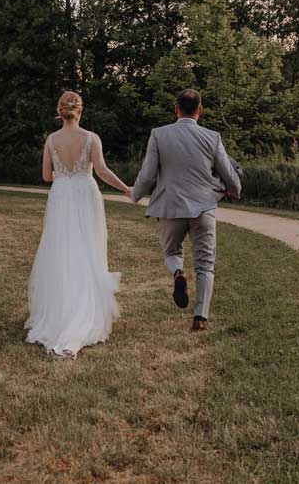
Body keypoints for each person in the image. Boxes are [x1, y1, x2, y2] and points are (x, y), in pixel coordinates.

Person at [25, 91, 131, 357]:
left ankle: (59, 313)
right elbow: (103, 171)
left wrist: (64, 175)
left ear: (60, 111)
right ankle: (83, 312)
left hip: (61, 194)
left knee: (61, 250)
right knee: (88, 249)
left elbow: (45, 175)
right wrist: (126, 189)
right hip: (85, 192)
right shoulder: (91, 138)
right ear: (80, 110)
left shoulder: (51, 140)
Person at [131, 88, 241, 331]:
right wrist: (235, 189)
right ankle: (200, 317)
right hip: (203, 208)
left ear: (176, 109)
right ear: (200, 110)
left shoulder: (158, 135)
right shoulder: (213, 137)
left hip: (170, 208)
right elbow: (228, 173)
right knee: (205, 264)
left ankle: (178, 273)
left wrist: (135, 194)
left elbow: (148, 174)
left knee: (171, 252)